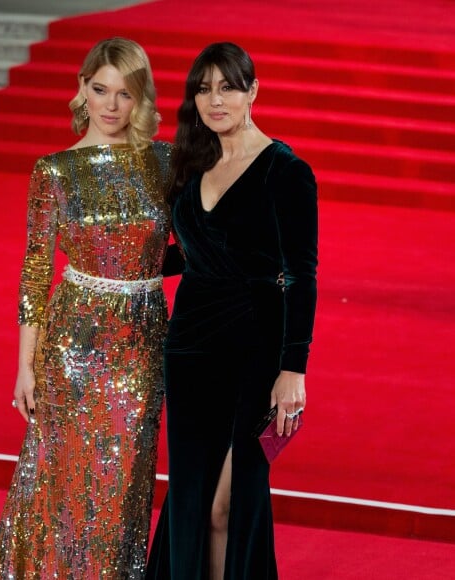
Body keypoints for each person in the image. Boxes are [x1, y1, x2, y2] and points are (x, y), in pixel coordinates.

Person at [0, 37, 172, 579]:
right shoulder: (55, 172)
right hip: (73, 346)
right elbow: (35, 271)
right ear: (82, 90)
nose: (111, 105)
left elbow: (193, 246)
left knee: (124, 482)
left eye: (125, 93)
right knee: (61, 481)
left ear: (141, 99)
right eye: (100, 89)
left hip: (142, 341)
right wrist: (25, 365)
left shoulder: (164, 163)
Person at [147, 42, 318, 579]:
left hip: (256, 351)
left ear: (253, 92)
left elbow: (302, 275)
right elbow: (192, 251)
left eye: (228, 87)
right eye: (204, 88)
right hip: (190, 347)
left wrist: (294, 369)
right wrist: (112, 258)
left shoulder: (285, 171)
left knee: (230, 503)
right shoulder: (191, 161)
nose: (215, 100)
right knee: (193, 498)